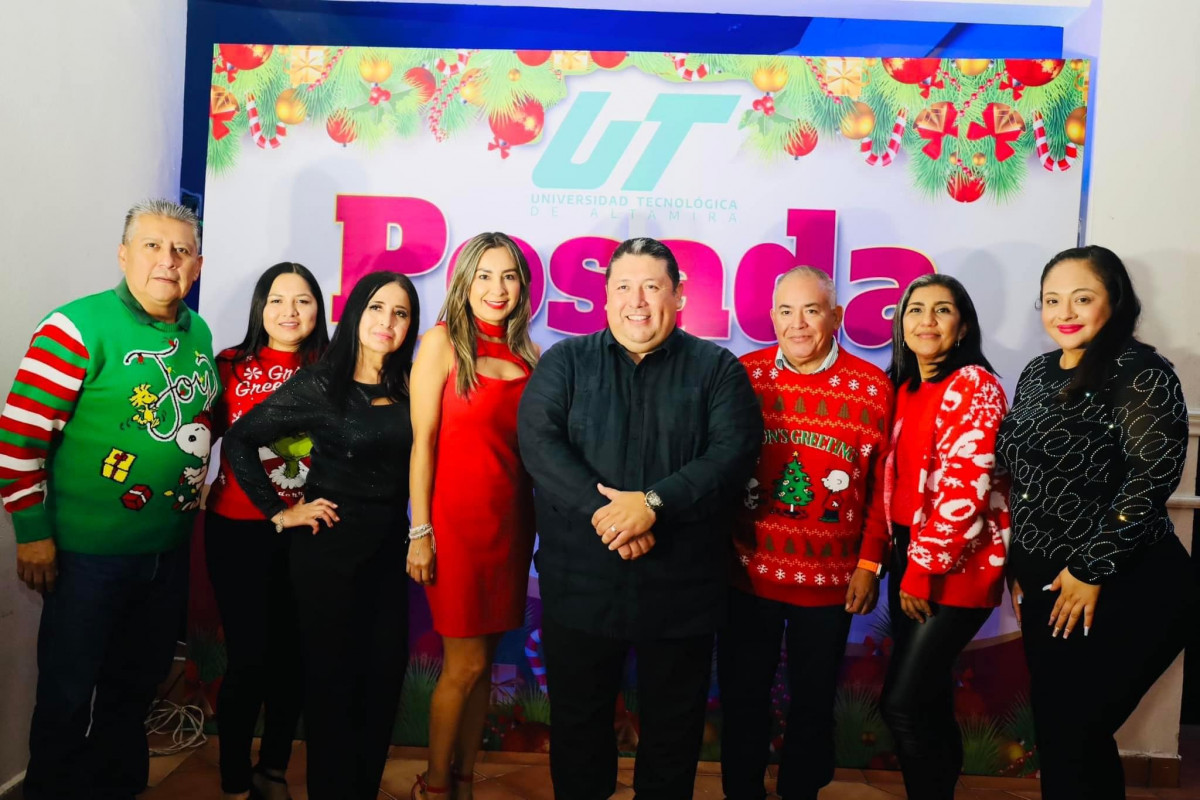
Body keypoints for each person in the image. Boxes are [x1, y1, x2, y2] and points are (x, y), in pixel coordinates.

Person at [517, 237, 762, 800]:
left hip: (681, 589)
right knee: (578, 729)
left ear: (678, 296)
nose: (638, 301)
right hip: (581, 584)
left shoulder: (717, 370)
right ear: (605, 297)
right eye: (624, 287)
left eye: (653, 287)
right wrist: (612, 515)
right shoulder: (564, 363)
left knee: (673, 735)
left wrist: (652, 505)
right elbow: (539, 444)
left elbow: (731, 455)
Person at [0, 199, 217, 799]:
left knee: (134, 690)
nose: (167, 260)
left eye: (181, 250)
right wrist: (32, 534)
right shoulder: (75, 327)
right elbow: (18, 438)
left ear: (197, 266)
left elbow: (200, 417)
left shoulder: (198, 332)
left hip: (165, 553)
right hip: (86, 557)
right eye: (152, 246)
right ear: (123, 255)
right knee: (68, 693)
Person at [996, 246, 1197, 800]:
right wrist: (1020, 564)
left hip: (1130, 582)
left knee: (1076, 729)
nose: (1065, 312)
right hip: (1047, 586)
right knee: (1063, 736)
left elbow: (1151, 478)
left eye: (1082, 298)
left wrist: (1089, 569)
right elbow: (1025, 477)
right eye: (1052, 300)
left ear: (1116, 302)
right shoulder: (1038, 372)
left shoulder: (1142, 372)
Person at [222, 271, 419, 800]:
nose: (387, 321)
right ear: (355, 313)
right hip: (328, 555)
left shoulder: (413, 385)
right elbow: (240, 440)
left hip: (389, 552)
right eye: (376, 308)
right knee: (332, 687)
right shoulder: (321, 383)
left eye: (400, 312)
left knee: (383, 682)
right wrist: (279, 512)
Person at [718, 267, 893, 800]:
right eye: (786, 311)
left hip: (831, 582)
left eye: (811, 311)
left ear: (835, 317)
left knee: (813, 702)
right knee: (742, 698)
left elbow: (883, 489)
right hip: (746, 574)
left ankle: (801, 791)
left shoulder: (872, 387)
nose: (797, 324)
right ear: (771, 317)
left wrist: (869, 564)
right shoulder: (742, 376)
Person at [406, 233, 539, 800]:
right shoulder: (441, 343)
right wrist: (420, 531)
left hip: (511, 529)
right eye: (484, 275)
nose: (496, 288)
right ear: (463, 282)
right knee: (461, 665)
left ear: (522, 286)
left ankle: (463, 780)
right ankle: (435, 785)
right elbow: (422, 443)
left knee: (483, 663)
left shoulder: (531, 355)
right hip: (455, 528)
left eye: (508, 276)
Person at [879, 273, 1010, 800]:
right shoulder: (904, 387)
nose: (926, 320)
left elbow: (964, 492)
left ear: (963, 326)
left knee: (902, 703)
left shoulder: (975, 384)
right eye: (915, 309)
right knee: (928, 698)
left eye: (942, 309)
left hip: (953, 566)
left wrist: (920, 571)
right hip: (908, 555)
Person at [205, 262, 330, 800]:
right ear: (260, 307)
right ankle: (234, 776)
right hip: (237, 531)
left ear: (319, 309)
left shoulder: (335, 369)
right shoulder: (229, 364)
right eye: (277, 300)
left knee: (294, 656)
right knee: (248, 658)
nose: (289, 312)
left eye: (303, 300)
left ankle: (273, 768)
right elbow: (199, 435)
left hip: (310, 535)